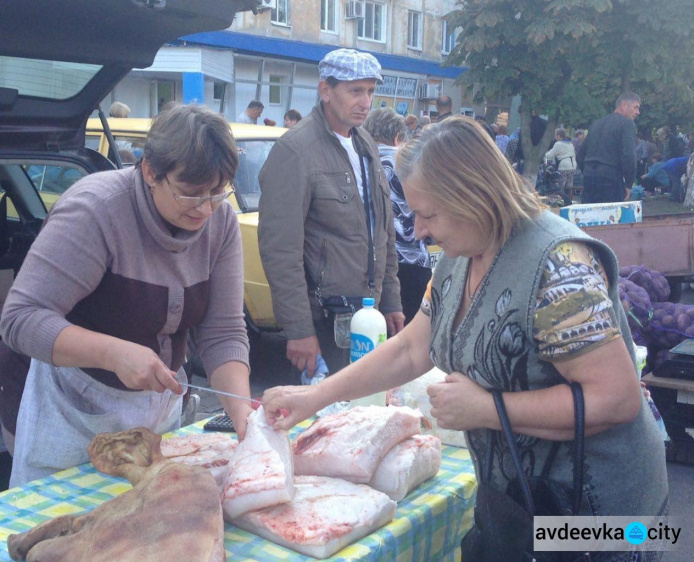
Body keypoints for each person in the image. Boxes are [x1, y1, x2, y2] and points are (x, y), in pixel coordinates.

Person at [262, 117, 668, 549]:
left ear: (472, 196)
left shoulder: (560, 265)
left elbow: (616, 400)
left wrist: (487, 409)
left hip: (597, 517)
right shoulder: (461, 253)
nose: (418, 230)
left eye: (427, 214)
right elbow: (410, 348)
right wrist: (315, 397)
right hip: (523, 501)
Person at [0, 104, 252, 486]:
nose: (206, 208)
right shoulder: (96, 210)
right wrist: (114, 353)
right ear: (151, 172)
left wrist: (244, 418)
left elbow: (225, 333)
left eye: (218, 192)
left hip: (156, 410)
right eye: (191, 193)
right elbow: (21, 318)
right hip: (73, 404)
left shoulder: (222, 222)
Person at [258, 48, 404, 378]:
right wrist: (298, 330)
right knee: (327, 422)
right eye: (355, 91)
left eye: (370, 91)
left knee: (367, 412)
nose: (366, 102)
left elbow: (383, 230)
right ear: (326, 90)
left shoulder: (364, 142)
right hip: (322, 324)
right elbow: (281, 251)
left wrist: (392, 300)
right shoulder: (295, 150)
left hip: (368, 317)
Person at [362, 107, 431, 324]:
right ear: (397, 137)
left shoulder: (357, 163)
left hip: (372, 266)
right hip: (414, 265)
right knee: (409, 336)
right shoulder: (413, 164)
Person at [577, 92, 640, 203]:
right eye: (635, 107)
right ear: (624, 104)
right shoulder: (627, 124)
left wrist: (588, 172)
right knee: (611, 217)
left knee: (589, 217)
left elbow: (580, 155)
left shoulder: (596, 124)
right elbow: (629, 156)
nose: (637, 112)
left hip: (589, 178)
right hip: (611, 179)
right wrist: (628, 184)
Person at [543, 127, 577, 203]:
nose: (555, 137)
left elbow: (550, 155)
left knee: (561, 187)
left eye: (555, 135)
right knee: (568, 187)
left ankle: (560, 202)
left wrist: (544, 154)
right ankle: (568, 202)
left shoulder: (558, 144)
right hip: (572, 165)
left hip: (564, 166)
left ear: (559, 135)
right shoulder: (570, 143)